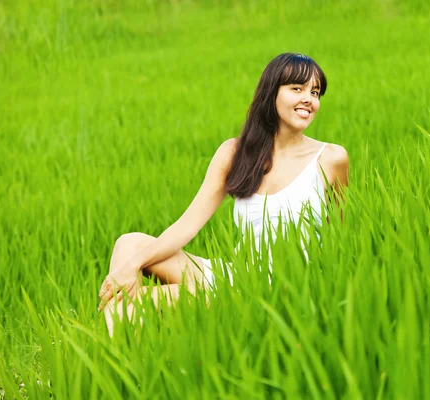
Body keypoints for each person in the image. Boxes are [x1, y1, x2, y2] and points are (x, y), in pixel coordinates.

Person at [97, 53, 349, 336]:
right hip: (235, 275)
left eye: (315, 92)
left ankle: (114, 357)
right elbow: (188, 224)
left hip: (271, 290)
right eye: (297, 89)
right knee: (129, 244)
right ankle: (121, 350)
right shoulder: (236, 153)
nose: (309, 99)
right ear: (271, 93)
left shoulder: (330, 159)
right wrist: (132, 266)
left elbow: (337, 242)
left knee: (134, 303)